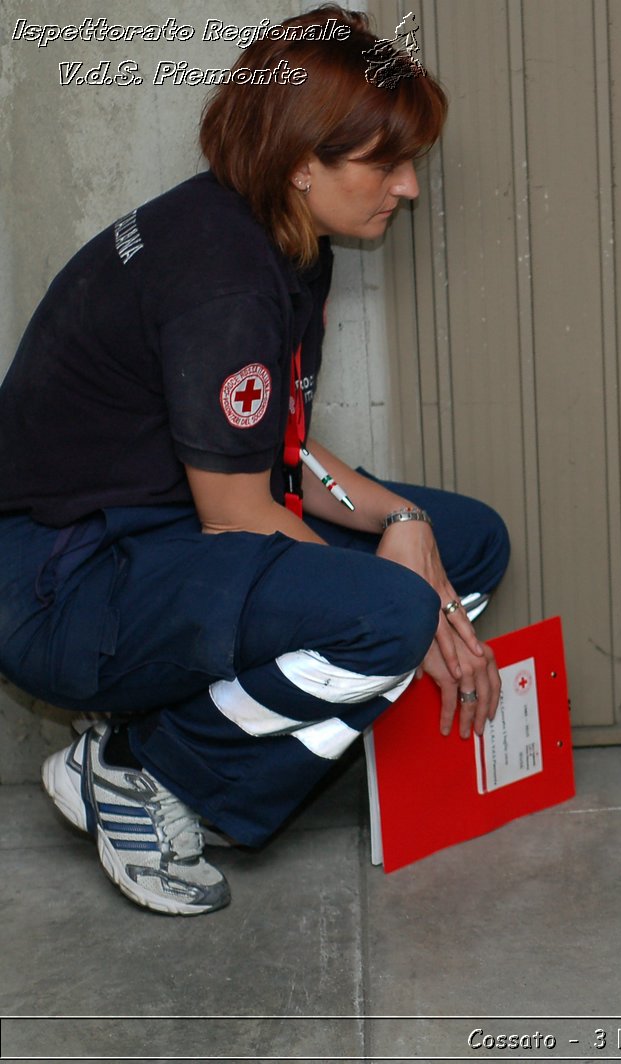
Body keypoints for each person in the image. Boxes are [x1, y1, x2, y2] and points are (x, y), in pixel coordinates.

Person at [0, 6, 510, 916]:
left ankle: (176, 727)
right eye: (384, 165)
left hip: (157, 530)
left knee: (462, 542)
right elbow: (238, 510)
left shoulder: (277, 236)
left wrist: (403, 521)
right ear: (302, 161)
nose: (410, 188)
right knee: (395, 610)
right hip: (60, 582)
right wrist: (407, 612)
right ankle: (142, 772)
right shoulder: (224, 277)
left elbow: (277, 449)